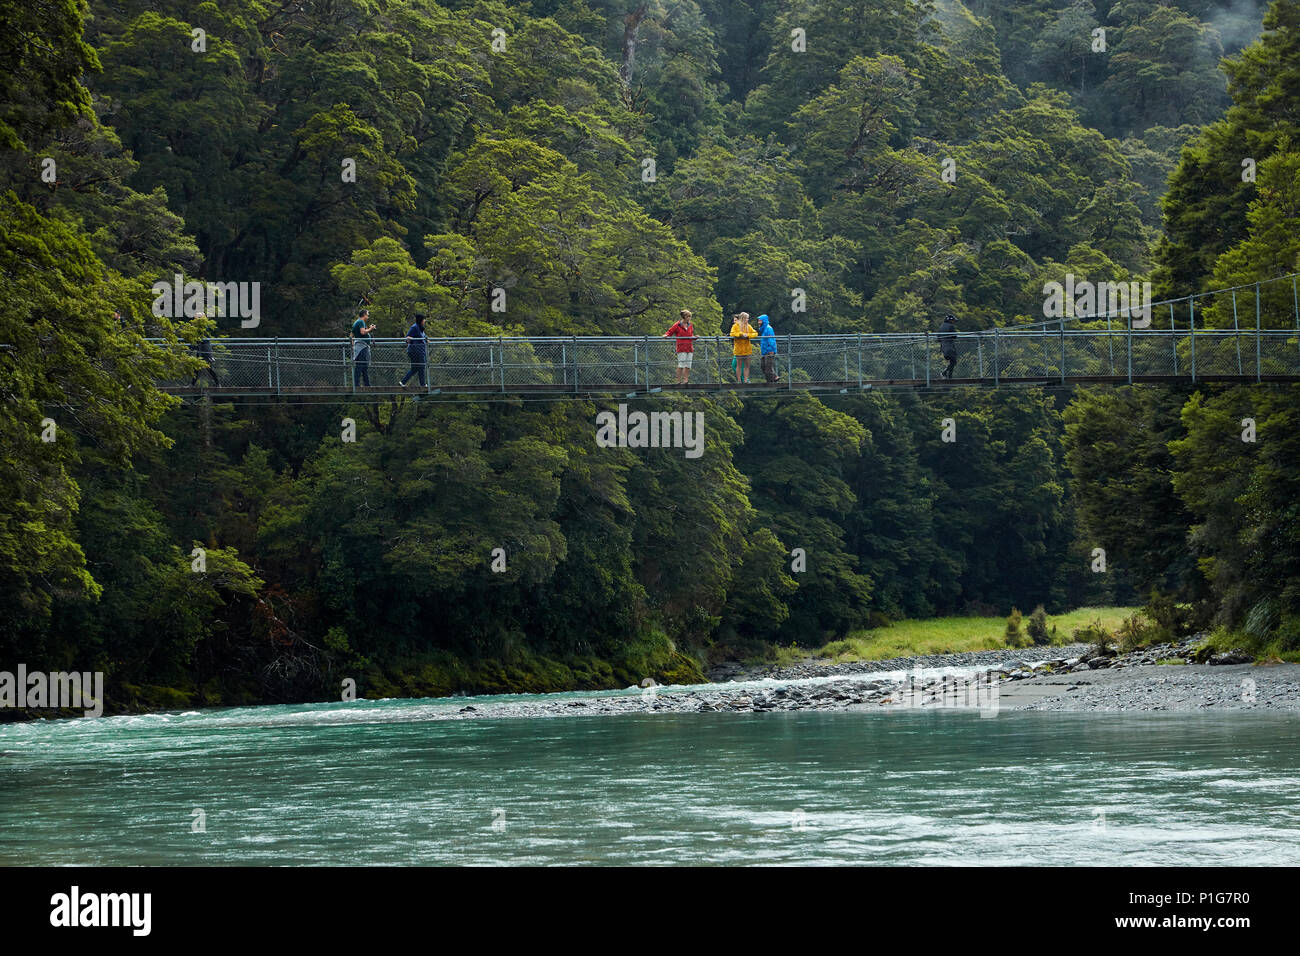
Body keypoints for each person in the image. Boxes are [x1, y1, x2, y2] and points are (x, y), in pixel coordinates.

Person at [664, 309, 696, 385]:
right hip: (681, 347)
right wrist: (666, 335)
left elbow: (690, 335)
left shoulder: (690, 325)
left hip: (689, 347)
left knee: (688, 365)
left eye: (690, 316)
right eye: (688, 316)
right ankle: (678, 380)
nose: (689, 318)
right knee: (681, 365)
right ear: (684, 317)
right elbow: (670, 331)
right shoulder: (678, 325)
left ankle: (686, 380)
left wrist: (694, 337)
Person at [190, 312, 220, 387]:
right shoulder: (195, 327)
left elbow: (203, 336)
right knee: (196, 368)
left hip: (205, 348)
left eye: (198, 318)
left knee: (209, 368)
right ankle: (192, 384)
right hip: (199, 348)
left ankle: (217, 383)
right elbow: (195, 338)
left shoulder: (205, 326)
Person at [400, 313, 428, 387]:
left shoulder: (421, 328)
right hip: (416, 351)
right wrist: (413, 340)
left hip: (420, 351)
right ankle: (422, 385)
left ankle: (403, 382)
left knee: (415, 368)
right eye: (423, 319)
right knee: (421, 367)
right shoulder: (414, 327)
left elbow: (424, 338)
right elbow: (407, 338)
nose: (424, 321)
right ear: (421, 320)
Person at [351, 309, 376, 387]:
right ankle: (357, 384)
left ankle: (366, 384)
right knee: (361, 365)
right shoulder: (360, 322)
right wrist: (370, 329)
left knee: (364, 366)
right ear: (364, 315)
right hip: (361, 347)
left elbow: (351, 335)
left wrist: (352, 345)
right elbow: (362, 332)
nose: (368, 316)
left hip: (360, 346)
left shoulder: (357, 322)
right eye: (367, 314)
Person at [730, 311, 757, 383]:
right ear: (742, 318)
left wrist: (748, 335)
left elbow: (755, 333)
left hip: (747, 349)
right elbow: (732, 334)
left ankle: (745, 380)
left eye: (748, 318)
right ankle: (739, 380)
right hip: (739, 349)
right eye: (746, 318)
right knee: (738, 365)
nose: (747, 320)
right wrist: (741, 334)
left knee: (747, 365)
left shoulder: (749, 326)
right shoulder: (735, 326)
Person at [757, 314, 779, 382]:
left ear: (764, 321)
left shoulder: (768, 328)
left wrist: (771, 349)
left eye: (760, 320)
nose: (758, 322)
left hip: (769, 350)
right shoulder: (764, 329)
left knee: (768, 367)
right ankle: (774, 378)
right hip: (764, 351)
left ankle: (772, 380)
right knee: (763, 366)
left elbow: (771, 340)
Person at [938, 312, 958, 380]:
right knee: (954, 361)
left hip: (943, 346)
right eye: (953, 320)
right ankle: (945, 373)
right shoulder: (951, 326)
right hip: (949, 346)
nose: (953, 322)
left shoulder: (941, 326)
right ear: (950, 320)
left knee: (952, 361)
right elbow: (954, 336)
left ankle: (948, 375)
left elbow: (938, 338)